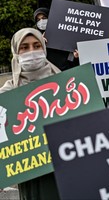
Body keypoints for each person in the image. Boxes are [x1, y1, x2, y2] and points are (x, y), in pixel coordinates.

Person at [0, 28, 61, 199]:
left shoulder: (66, 84)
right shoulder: (7, 95)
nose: (32, 52)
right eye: (24, 48)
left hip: (66, 169)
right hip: (32, 176)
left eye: (36, 45)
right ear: (16, 52)